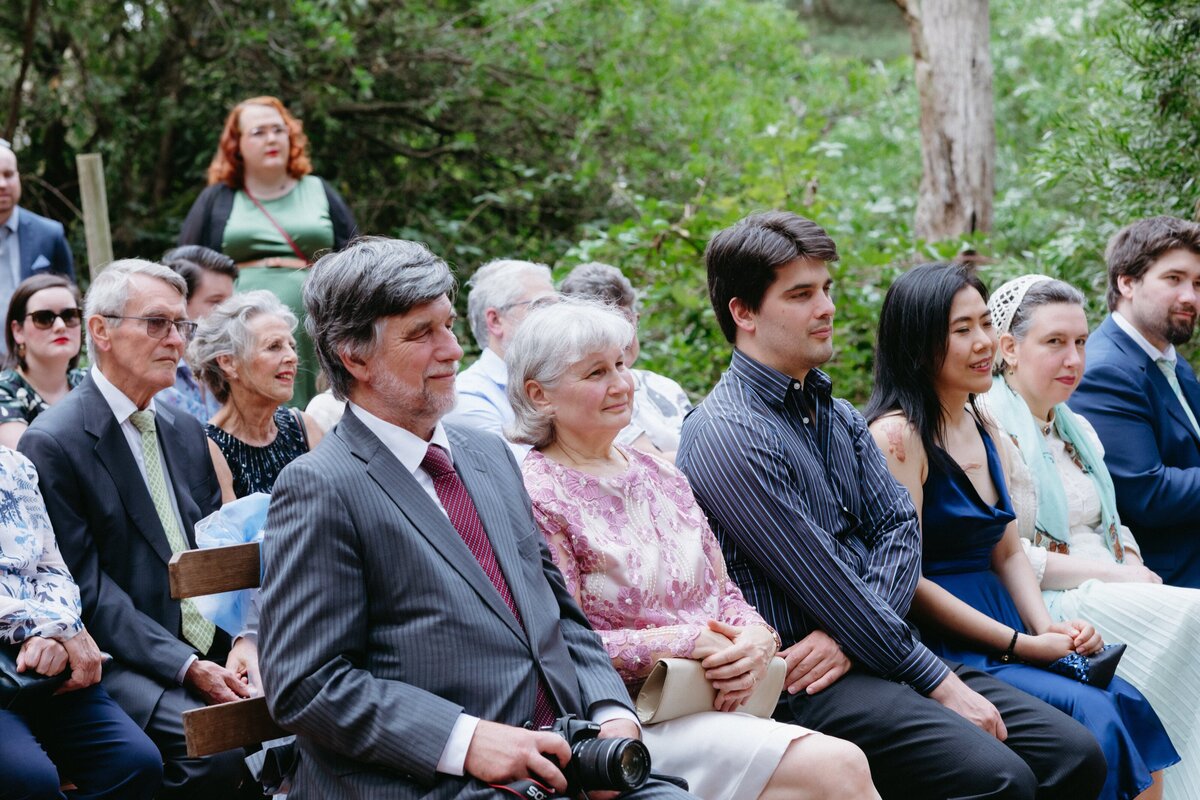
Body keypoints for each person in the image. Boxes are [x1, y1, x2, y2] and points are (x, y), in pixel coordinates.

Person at [677, 211, 1107, 799]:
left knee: (1075, 752)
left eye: (825, 288)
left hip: (870, 649)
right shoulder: (727, 433)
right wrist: (938, 682)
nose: (826, 306)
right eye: (802, 294)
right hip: (806, 687)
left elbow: (902, 528)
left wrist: (851, 635)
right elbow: (825, 580)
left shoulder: (838, 415)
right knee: (999, 777)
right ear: (743, 312)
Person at [257, 237, 695, 800]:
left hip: (566, 761)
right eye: (422, 333)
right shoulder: (321, 486)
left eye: (447, 325)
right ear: (354, 356)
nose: (452, 350)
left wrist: (611, 714)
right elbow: (306, 683)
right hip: (434, 783)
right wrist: (465, 741)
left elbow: (557, 612)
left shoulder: (486, 453)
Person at [509, 298, 880, 800]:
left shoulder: (662, 474)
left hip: (722, 701)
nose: (621, 383)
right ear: (540, 394)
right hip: (630, 718)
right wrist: (687, 642)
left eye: (621, 364)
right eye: (596, 372)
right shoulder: (536, 495)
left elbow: (724, 590)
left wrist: (755, 641)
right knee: (838, 765)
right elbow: (558, 643)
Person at [865, 262, 1178, 800]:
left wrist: (1046, 634)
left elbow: (1008, 552)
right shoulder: (896, 437)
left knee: (1128, 699)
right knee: (1093, 720)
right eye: (963, 330)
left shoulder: (982, 422)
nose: (985, 342)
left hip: (1007, 620)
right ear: (918, 344)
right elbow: (906, 580)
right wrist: (1023, 645)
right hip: (945, 640)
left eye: (986, 324)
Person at [19, 259, 259, 799]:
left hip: (212, 644)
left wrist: (246, 638)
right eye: (157, 323)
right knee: (215, 754)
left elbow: (215, 552)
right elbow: (87, 591)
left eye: (181, 325)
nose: (176, 340)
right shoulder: (54, 441)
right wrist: (187, 666)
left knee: (305, 712)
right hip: (125, 658)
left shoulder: (181, 427)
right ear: (100, 330)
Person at [984, 273, 1200, 797]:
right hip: (1048, 601)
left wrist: (1131, 559)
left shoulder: (1077, 428)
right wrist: (1115, 572)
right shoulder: (989, 423)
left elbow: (1112, 520)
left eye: (1081, 342)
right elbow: (1007, 552)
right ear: (1009, 349)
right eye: (1054, 342)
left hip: (1112, 582)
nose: (1074, 359)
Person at [0, 445, 163, 799]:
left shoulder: (14, 465)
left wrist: (56, 636)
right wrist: (53, 628)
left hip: (41, 655)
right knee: (31, 781)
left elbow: (51, 568)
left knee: (136, 763)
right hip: (32, 638)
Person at [179, 96, 358, 408]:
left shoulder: (318, 189)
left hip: (315, 325)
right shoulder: (217, 199)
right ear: (237, 145)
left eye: (278, 129)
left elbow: (356, 258)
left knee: (320, 412)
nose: (271, 138)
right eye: (258, 132)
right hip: (241, 332)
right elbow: (186, 268)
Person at [1068, 216, 1200, 587]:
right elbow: (1148, 492)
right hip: (1170, 578)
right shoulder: (1106, 368)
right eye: (1173, 279)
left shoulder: (1168, 359)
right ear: (1126, 282)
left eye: (1198, 283)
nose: (1190, 296)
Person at [189, 290, 323, 501]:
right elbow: (230, 532)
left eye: (292, 346)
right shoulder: (210, 448)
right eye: (274, 346)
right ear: (228, 362)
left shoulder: (304, 427)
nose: (291, 357)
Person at [559, 261, 693, 462]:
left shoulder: (664, 385)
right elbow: (653, 465)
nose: (621, 335)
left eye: (627, 319)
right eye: (605, 325)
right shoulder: (589, 396)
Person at [444, 258, 556, 439]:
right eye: (542, 306)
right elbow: (521, 466)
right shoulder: (468, 398)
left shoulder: (558, 380)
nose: (558, 317)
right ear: (495, 321)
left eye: (557, 307)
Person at [0, 142, 75, 355]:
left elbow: (70, 299)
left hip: (34, 360)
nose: (2, 184)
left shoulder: (49, 234)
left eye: (8, 174)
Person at [0, 273, 85, 449]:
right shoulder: (4, 392)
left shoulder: (90, 382)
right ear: (18, 331)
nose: (60, 326)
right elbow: (30, 461)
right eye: (44, 318)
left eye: (70, 315)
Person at [156, 245, 238, 422]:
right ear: (180, 303)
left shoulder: (238, 366)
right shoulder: (153, 370)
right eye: (216, 302)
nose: (230, 312)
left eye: (232, 302)